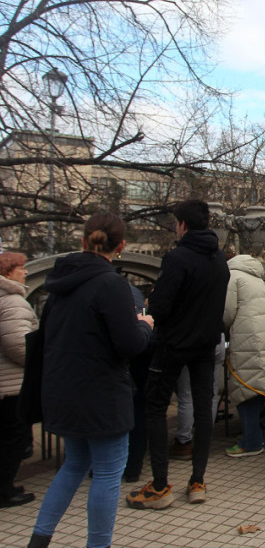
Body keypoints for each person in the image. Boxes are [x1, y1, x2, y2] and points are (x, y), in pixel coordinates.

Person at [29, 212, 153, 548]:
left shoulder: (59, 285)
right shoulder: (111, 284)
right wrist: (145, 325)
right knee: (109, 473)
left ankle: (39, 539)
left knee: (74, 465)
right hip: (102, 395)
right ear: (121, 246)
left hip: (62, 390)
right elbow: (129, 344)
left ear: (83, 241)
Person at [128, 199, 229, 509]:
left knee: (155, 407)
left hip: (172, 345)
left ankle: (160, 485)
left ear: (183, 225)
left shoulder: (177, 258)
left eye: (175, 223)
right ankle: (198, 481)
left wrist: (153, 301)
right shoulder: (219, 259)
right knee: (203, 407)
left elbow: (159, 307)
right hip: (206, 345)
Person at [224, 254, 265, 457]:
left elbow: (227, 312)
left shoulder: (233, 277)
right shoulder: (257, 278)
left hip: (248, 337)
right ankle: (260, 435)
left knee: (247, 390)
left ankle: (251, 442)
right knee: (263, 389)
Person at [0, 252, 38, 508]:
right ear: (8, 272)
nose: (25, 272)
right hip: (12, 384)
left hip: (3, 383)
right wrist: (38, 363)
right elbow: (18, 345)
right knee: (12, 439)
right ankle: (5, 491)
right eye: (21, 268)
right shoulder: (13, 301)